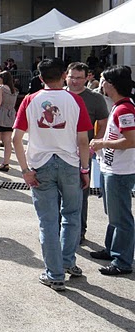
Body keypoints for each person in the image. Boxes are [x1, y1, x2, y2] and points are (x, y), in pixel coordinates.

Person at [12, 58, 92, 291]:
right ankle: (68, 262)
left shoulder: (30, 99)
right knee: (72, 215)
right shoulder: (75, 100)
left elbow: (17, 138)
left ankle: (54, 273)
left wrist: (25, 170)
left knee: (48, 222)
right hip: (69, 163)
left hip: (40, 165)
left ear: (40, 78)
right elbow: (83, 141)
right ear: (65, 75)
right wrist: (85, 169)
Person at [89, 66, 135, 276]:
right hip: (113, 168)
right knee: (114, 213)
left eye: (103, 80)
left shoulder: (124, 109)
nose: (101, 84)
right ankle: (112, 249)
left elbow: (131, 140)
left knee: (120, 216)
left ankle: (123, 260)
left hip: (120, 170)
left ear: (112, 84)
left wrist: (101, 143)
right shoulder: (120, 106)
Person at [65, 62, 108, 243]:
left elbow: (104, 122)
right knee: (58, 194)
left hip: (82, 153)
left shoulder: (95, 98)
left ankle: (79, 230)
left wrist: (93, 145)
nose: (74, 81)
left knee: (81, 194)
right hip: (58, 153)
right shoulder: (59, 95)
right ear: (65, 76)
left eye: (79, 78)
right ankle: (61, 228)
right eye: (71, 77)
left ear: (87, 77)